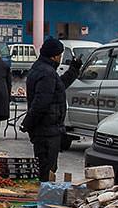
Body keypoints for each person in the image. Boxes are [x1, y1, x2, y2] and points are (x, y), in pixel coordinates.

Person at [24, 38, 82, 181]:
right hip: (47, 130)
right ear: (55, 56)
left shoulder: (41, 69)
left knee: (45, 167)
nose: (61, 58)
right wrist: (28, 123)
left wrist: (73, 70)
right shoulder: (47, 73)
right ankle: (43, 199)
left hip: (46, 129)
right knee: (47, 169)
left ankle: (43, 194)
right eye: (61, 55)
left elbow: (57, 87)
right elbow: (41, 103)